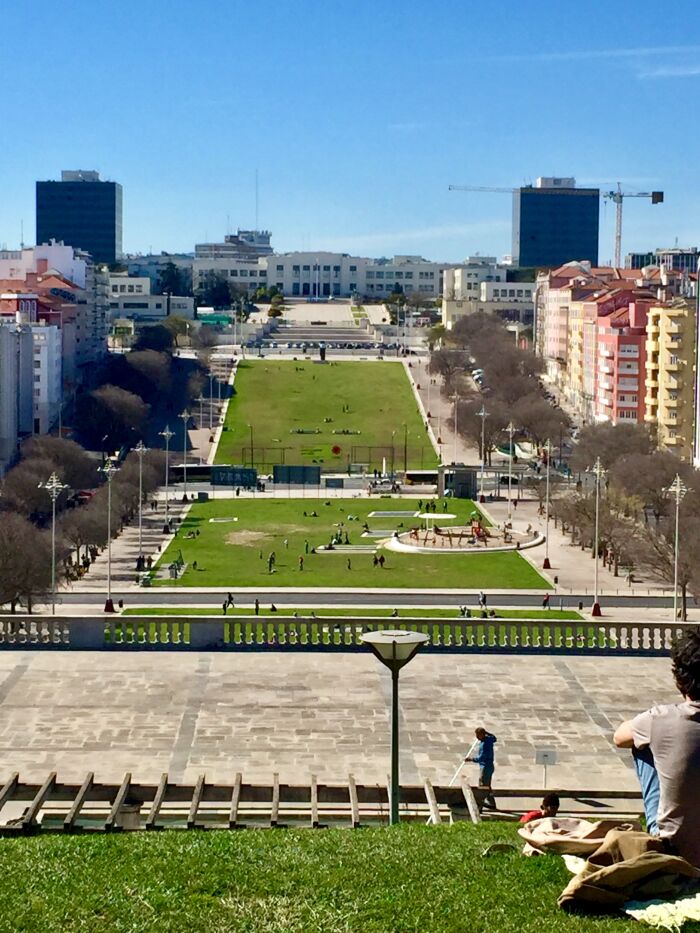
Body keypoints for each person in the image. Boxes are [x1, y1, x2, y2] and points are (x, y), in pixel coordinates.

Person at [614, 627, 700, 865]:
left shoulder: (660, 719)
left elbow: (619, 737)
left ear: (679, 678)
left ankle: (663, 822)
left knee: (642, 746)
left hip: (677, 850)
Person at [466, 727, 497, 809]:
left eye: (478, 735)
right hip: (490, 766)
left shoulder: (484, 744)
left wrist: (471, 759)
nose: (476, 737)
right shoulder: (489, 739)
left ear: (482, 734)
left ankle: (480, 805)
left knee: (482, 786)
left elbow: (481, 758)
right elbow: (494, 738)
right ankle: (491, 803)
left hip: (485, 767)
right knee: (487, 786)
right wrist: (487, 733)